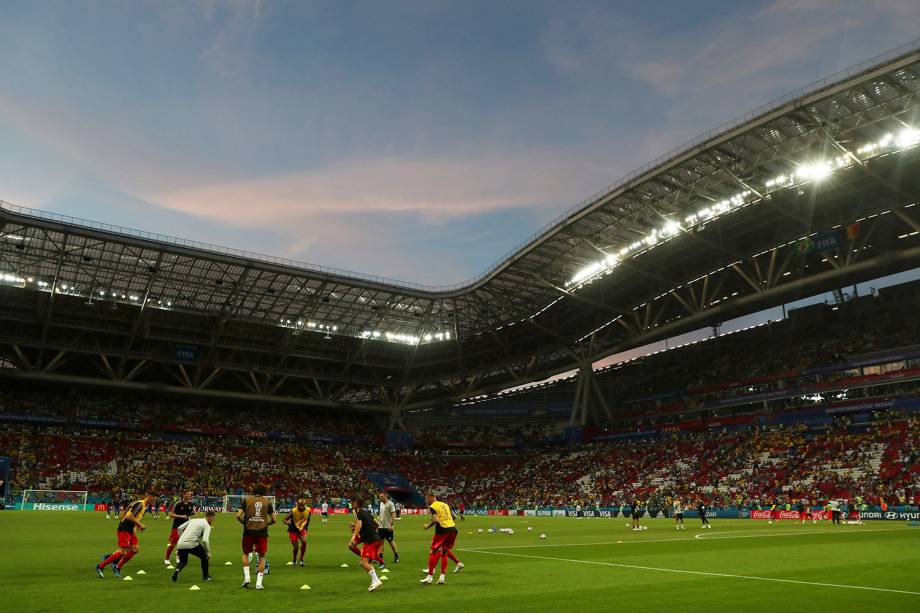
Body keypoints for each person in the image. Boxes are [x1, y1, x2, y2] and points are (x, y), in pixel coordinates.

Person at [95, 491, 154, 578]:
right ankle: (100, 566)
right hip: (125, 529)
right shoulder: (140, 504)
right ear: (148, 496)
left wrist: (136, 525)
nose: (154, 500)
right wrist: (140, 524)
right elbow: (129, 516)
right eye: (154, 498)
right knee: (123, 552)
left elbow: (126, 513)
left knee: (135, 549)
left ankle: (117, 567)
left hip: (129, 529)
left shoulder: (142, 505)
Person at [236, 484, 276, 590]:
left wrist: (244, 523)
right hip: (262, 532)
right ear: (264, 491)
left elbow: (238, 515)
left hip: (248, 531)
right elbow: (274, 519)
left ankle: (247, 578)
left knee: (245, 553)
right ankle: (259, 583)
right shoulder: (267, 502)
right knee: (262, 556)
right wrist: (266, 523)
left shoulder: (247, 500)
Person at [421, 492, 463, 585]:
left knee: (433, 551)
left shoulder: (433, 506)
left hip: (442, 531)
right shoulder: (445, 504)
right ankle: (442, 577)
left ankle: (430, 577)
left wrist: (428, 526)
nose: (426, 501)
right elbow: (454, 517)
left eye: (426, 499)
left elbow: (435, 520)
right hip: (453, 530)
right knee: (444, 553)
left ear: (431, 497)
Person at [349, 496, 384, 592]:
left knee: (364, 563)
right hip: (376, 539)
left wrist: (354, 536)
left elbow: (360, 524)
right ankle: (374, 581)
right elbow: (376, 524)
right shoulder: (366, 513)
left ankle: (376, 580)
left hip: (370, 541)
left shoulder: (359, 513)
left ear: (356, 504)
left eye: (354, 502)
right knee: (367, 560)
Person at [171, 511, 216, 583]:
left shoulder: (193, 520)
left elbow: (179, 528)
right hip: (192, 543)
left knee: (183, 561)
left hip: (181, 543)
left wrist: (181, 538)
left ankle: (176, 571)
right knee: (204, 557)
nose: (213, 520)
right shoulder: (207, 525)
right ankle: (206, 576)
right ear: (210, 517)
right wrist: (207, 552)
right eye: (214, 518)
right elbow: (205, 540)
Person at [165, 490, 196, 566]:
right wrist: (180, 516)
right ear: (184, 494)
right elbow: (170, 514)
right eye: (188, 494)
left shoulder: (191, 504)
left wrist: (193, 513)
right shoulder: (178, 504)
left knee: (183, 543)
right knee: (173, 543)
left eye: (190, 494)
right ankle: (166, 558)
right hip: (177, 526)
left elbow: (191, 512)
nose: (189, 495)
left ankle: (178, 556)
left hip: (186, 526)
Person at [283, 498, 310, 567]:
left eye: (302, 505)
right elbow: (284, 519)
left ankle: (301, 559)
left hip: (302, 529)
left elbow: (307, 520)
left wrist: (306, 528)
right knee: (296, 547)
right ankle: (294, 559)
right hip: (293, 530)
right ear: (297, 505)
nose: (301, 507)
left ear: (305, 505)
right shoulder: (293, 511)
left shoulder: (308, 510)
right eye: (299, 505)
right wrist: (288, 523)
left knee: (304, 542)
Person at [377, 491, 399, 563]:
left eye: (382, 496)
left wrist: (391, 524)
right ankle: (381, 559)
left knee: (390, 542)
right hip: (381, 527)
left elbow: (394, 514)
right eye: (380, 496)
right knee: (381, 542)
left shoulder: (390, 504)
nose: (380, 498)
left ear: (386, 496)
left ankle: (396, 556)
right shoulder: (381, 504)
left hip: (388, 527)